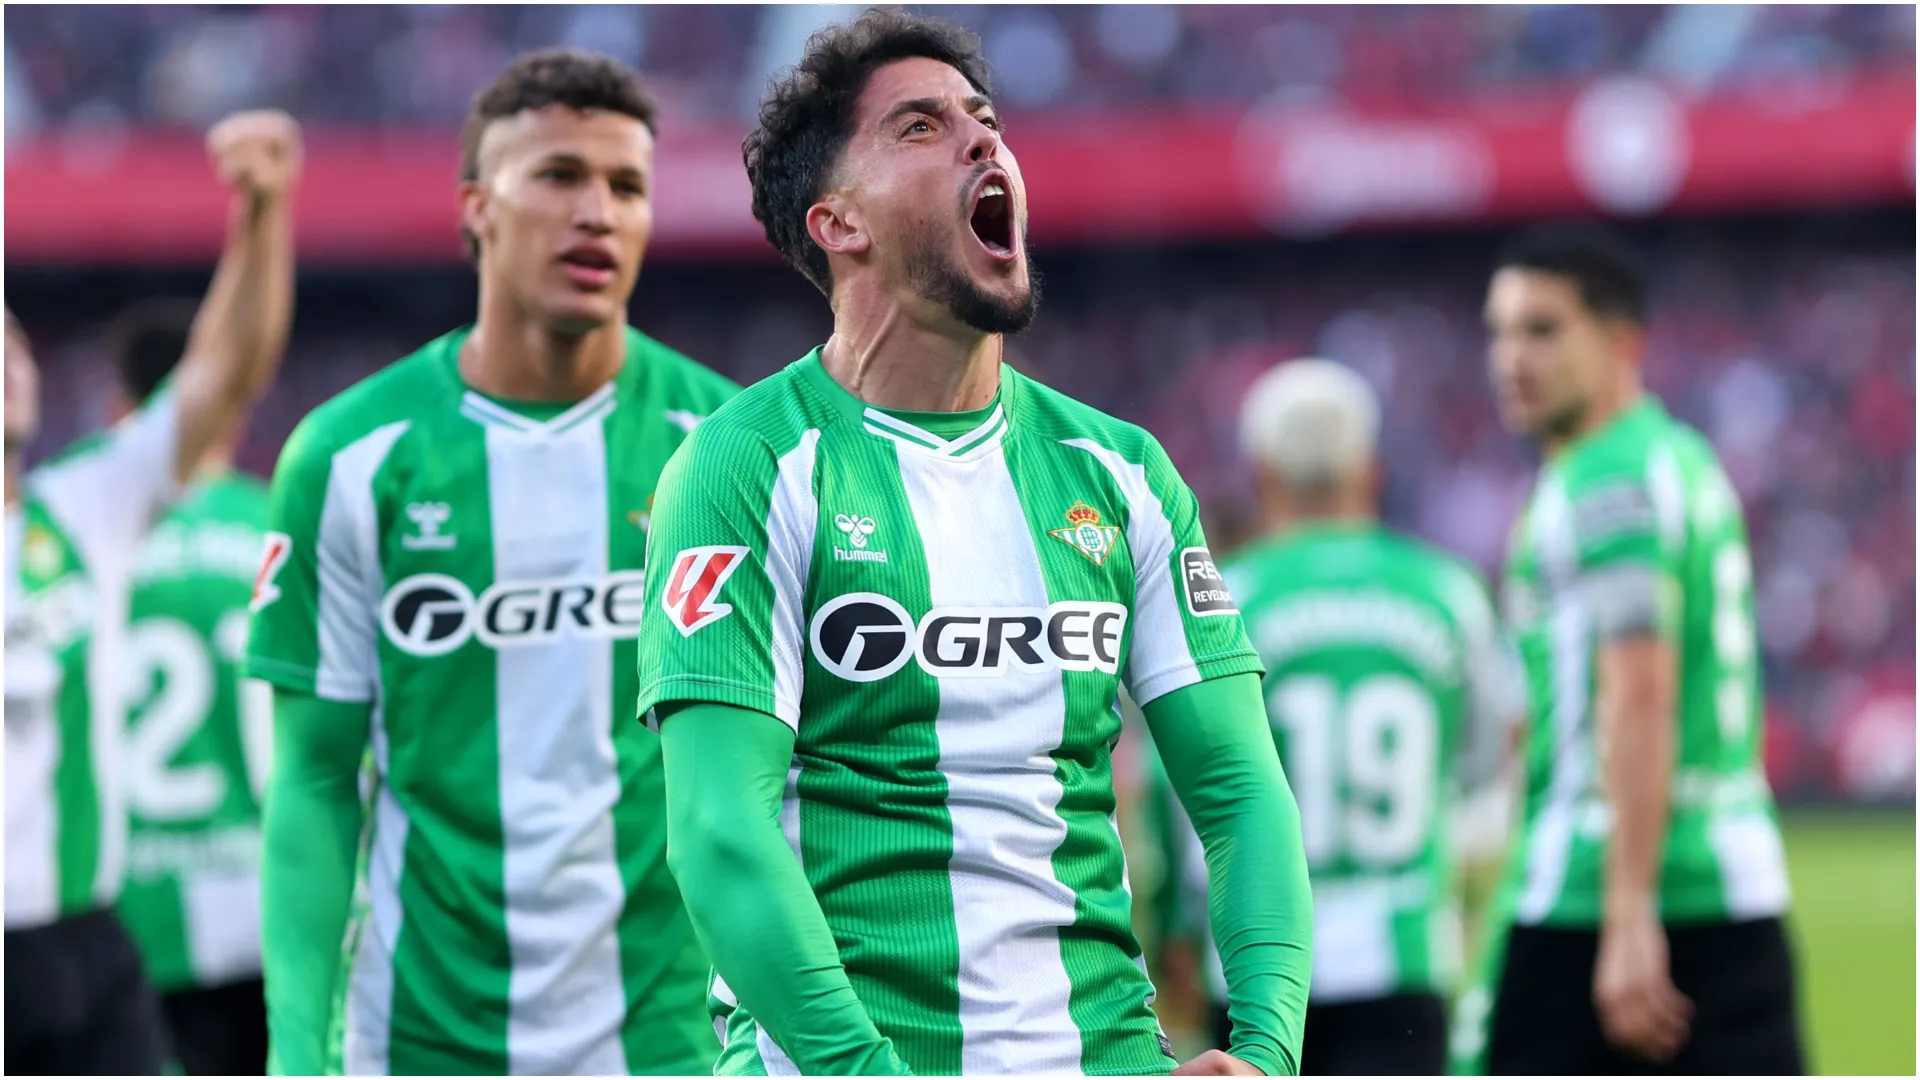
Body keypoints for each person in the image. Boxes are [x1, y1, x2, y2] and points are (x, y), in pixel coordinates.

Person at [636, 10, 1312, 1076]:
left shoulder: (1120, 471)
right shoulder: (747, 466)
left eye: (984, 119)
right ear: (838, 222)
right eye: (921, 126)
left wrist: (1267, 1049)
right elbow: (721, 830)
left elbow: (1236, 787)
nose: (982, 139)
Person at [245, 50, 737, 1076]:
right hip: (419, 1041)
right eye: (559, 175)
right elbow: (317, 778)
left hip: (671, 1044)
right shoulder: (350, 457)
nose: (597, 212)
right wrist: (295, 1055)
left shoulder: (725, 451)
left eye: (627, 186)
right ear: (477, 208)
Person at [4, 109, 300, 1075]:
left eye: (13, 341)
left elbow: (222, 372)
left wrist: (261, 213)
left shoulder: (79, 511)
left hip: (92, 943)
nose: (7, 360)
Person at [1469, 225, 1802, 1074]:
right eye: (1500, 332)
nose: (1512, 357)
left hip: (1602, 894)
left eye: (1543, 330)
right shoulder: (1677, 458)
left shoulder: (1609, 481)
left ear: (1623, 342)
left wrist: (1627, 916)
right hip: (1733, 882)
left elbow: (1642, 694)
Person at [1151, 359, 1522, 1075]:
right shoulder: (1449, 593)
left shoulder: (1228, 599)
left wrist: (1174, 929)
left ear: (1262, 476)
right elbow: (1486, 769)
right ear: (1371, 471)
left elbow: (1175, 791)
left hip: (1254, 961)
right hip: (1405, 959)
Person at [108, 301, 275, 1076]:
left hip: (134, 915)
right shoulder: (275, 524)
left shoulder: (78, 540)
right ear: (233, 409)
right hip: (273, 902)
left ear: (120, 408)